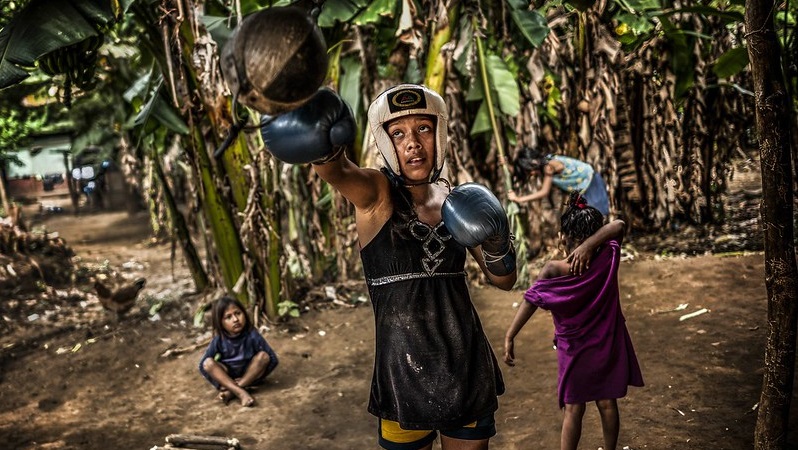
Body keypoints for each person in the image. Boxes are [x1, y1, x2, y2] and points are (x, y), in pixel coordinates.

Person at [260, 84, 517, 450]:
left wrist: (497, 240)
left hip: (465, 363)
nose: (413, 142)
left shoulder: (459, 201)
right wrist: (323, 143)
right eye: (398, 133)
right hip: (402, 371)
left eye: (423, 129)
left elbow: (504, 280)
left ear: (439, 134)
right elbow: (339, 171)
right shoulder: (377, 195)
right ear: (385, 142)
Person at [503, 192, 643, 450]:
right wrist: (591, 246)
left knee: (573, 408)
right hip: (607, 342)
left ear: (563, 239)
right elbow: (619, 225)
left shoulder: (554, 269)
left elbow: (530, 300)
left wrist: (511, 335)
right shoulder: (608, 255)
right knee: (607, 402)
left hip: (573, 350)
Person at [199, 296, 279, 407]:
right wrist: (219, 384)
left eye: (238, 313)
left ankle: (234, 390)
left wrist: (257, 378)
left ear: (244, 314)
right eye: (228, 317)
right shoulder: (219, 339)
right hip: (228, 376)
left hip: (249, 373)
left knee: (263, 357)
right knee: (208, 363)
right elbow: (202, 366)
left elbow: (273, 359)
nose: (235, 319)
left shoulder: (252, 334)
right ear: (220, 323)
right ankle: (240, 392)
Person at [508, 146, 610, 216]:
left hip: (591, 182)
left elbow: (544, 192)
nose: (531, 174)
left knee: (598, 215)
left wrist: (519, 199)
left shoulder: (549, 167)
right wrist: (506, 165)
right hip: (584, 187)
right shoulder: (545, 162)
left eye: (529, 170)